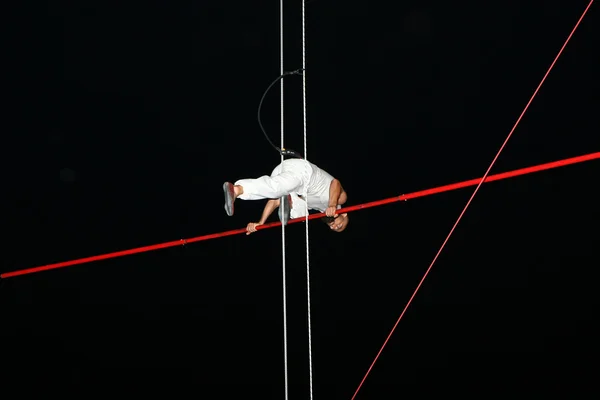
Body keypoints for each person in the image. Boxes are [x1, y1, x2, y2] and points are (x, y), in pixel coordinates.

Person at [223, 159, 349, 234]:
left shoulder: (314, 205)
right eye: (340, 225)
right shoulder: (339, 199)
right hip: (303, 173)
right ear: (344, 214)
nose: (334, 226)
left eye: (335, 229)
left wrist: (260, 223)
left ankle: (288, 200)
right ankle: (237, 189)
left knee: (300, 214)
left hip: (286, 176)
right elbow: (335, 183)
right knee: (276, 190)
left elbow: (273, 201)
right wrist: (333, 204)